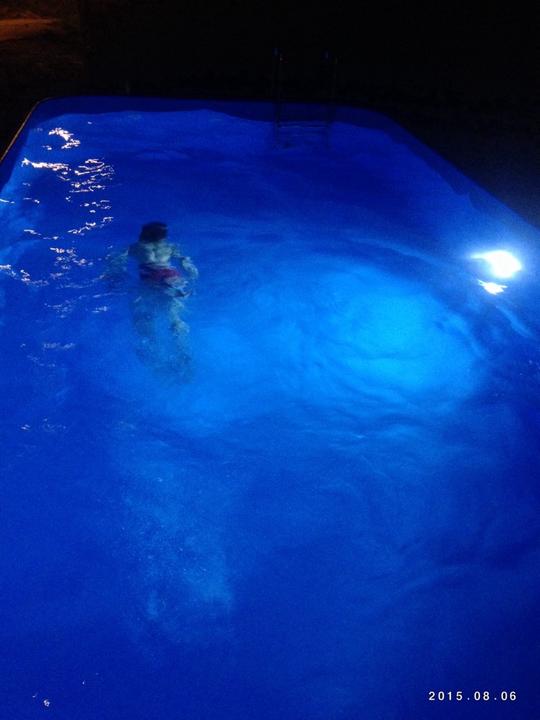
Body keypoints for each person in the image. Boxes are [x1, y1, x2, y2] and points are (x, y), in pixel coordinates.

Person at [104, 221, 198, 350]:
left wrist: (112, 276)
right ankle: (182, 347)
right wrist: (192, 273)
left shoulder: (136, 247)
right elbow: (184, 261)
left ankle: (151, 345)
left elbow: (117, 260)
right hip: (171, 275)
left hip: (151, 275)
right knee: (174, 315)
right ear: (163, 236)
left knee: (143, 312)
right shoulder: (171, 247)